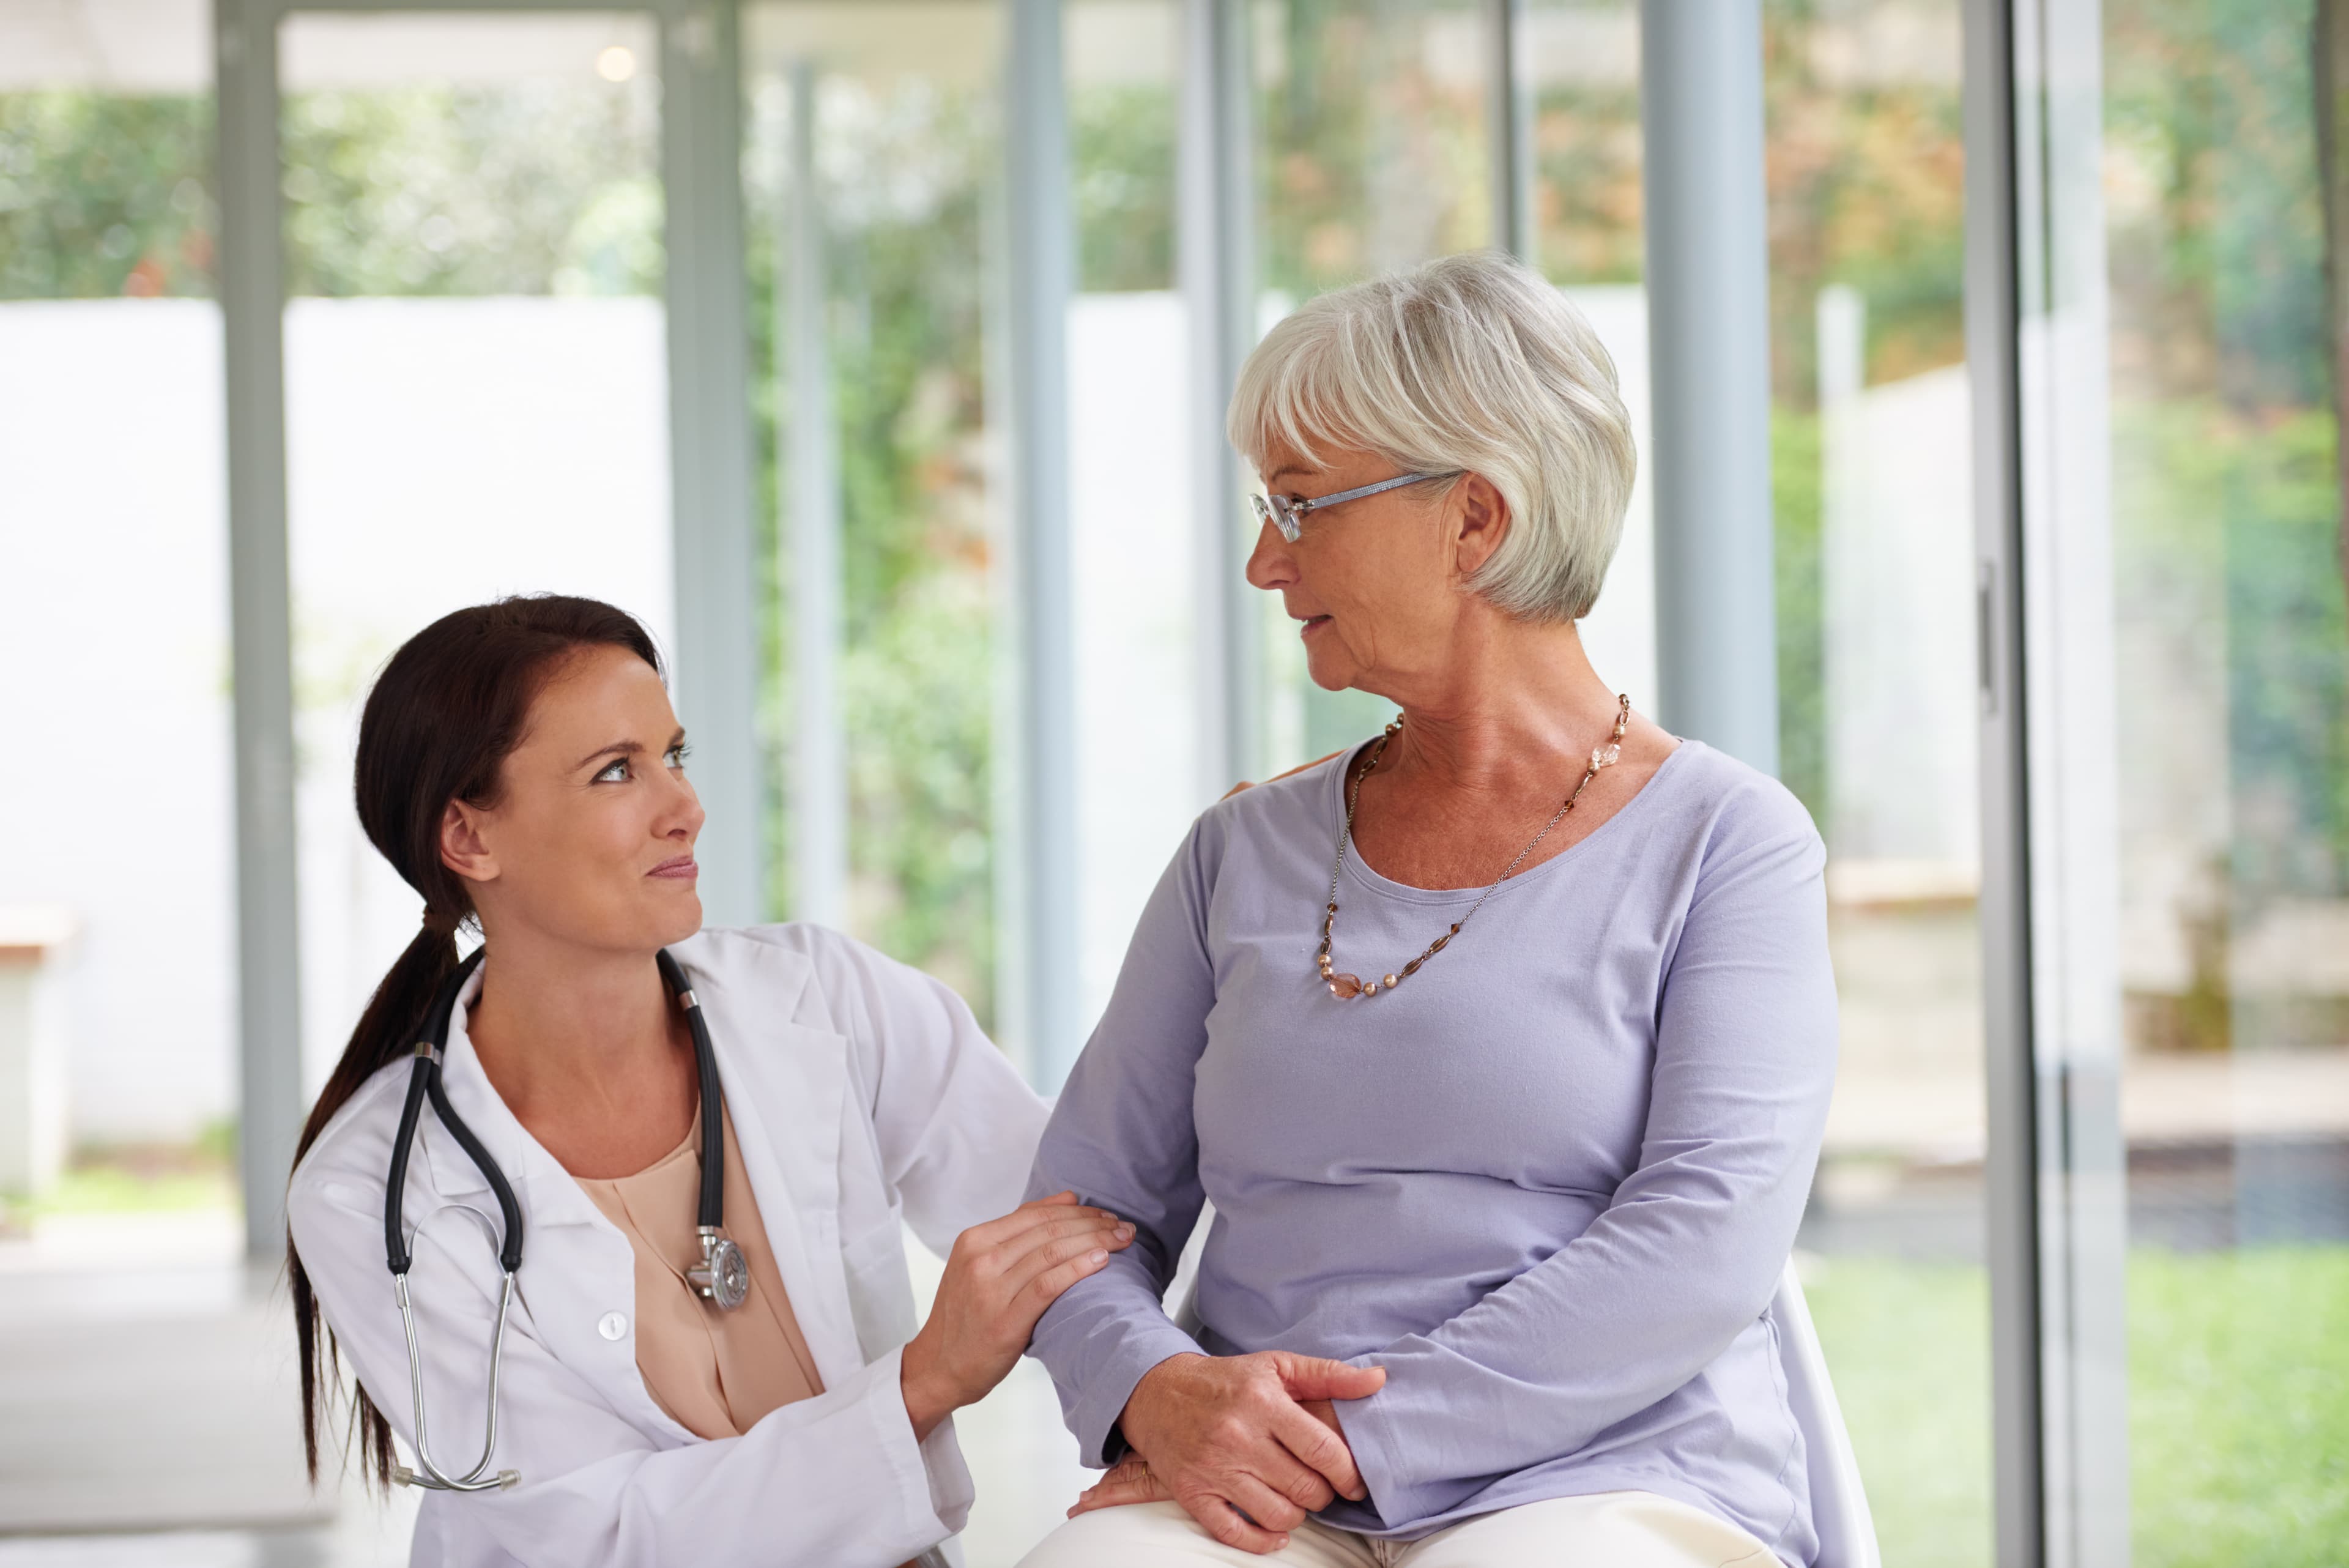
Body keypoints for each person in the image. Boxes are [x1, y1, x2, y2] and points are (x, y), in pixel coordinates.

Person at [1015, 251, 1838, 1567]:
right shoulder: (1238, 850)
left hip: (1599, 1473)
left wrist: (1350, 1441)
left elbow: (1703, 1240)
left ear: (1474, 522)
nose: (1261, 565)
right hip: (1259, 1486)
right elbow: (1074, 1214)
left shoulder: (1728, 843)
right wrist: (1158, 1396)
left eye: (1299, 508)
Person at [286, 595, 1132, 1568]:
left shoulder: (826, 1001)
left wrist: (1163, 1405)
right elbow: (603, 1536)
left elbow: (1078, 1219)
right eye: (616, 771)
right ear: (471, 840)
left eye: (673, 756)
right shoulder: (373, 1196)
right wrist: (921, 1381)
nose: (684, 807)